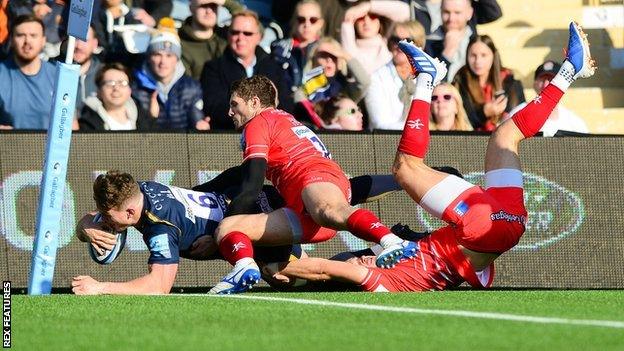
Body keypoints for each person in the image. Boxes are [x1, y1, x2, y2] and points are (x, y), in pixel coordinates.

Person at [266, 21, 596, 292]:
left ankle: (569, 71)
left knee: (505, 136)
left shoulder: (394, 270)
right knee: (406, 168)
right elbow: (325, 268)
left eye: (358, 259)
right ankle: (426, 79)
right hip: (480, 229)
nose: (359, 261)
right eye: (357, 263)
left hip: (508, 223)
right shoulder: (382, 281)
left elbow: (333, 267)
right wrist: (262, 266)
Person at [208, 75, 419, 294]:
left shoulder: (259, 122)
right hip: (307, 206)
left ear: (254, 102)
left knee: (328, 210)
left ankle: (392, 241)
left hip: (314, 179)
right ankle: (244, 267)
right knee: (232, 231)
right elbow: (241, 176)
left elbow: (252, 185)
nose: (230, 112)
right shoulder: (282, 119)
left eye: (234, 104)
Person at [70, 170, 407, 295]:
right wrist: (86, 228)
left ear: (131, 211)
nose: (107, 224)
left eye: (110, 220)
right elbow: (97, 215)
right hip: (244, 202)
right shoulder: (139, 188)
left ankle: (377, 272)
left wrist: (101, 287)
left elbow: (159, 286)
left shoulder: (159, 227)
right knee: (340, 194)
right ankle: (402, 183)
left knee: (285, 274)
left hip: (254, 217)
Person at [200, 9, 293, 130]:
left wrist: (243, 110)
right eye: (235, 32)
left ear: (259, 37)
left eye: (247, 33)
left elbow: (286, 105)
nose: (240, 38)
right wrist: (260, 112)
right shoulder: (213, 68)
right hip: (228, 138)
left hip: (270, 136)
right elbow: (214, 107)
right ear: (228, 35)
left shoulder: (274, 67)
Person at [133, 20, 210, 131]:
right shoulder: (136, 87)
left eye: (169, 55)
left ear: (177, 59)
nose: (163, 62)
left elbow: (196, 116)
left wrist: (200, 125)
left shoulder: (191, 87)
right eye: (157, 55)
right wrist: (150, 118)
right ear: (149, 58)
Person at [452, 35, 524, 131]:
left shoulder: (511, 83)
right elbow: (460, 118)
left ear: (493, 56)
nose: (478, 61)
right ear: (467, 56)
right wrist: (484, 112)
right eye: (473, 55)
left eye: (483, 55)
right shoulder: (460, 82)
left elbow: (520, 116)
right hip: (470, 139)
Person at [365, 20, 427, 130]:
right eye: (395, 40)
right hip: (386, 141)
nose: (400, 46)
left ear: (419, 45)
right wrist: (416, 130)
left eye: (407, 41)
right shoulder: (377, 78)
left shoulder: (427, 78)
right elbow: (380, 123)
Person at [0, 15, 56, 130]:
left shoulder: (57, 76)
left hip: (48, 147)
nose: (27, 41)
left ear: (43, 40)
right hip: (10, 146)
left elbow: (71, 125)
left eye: (33, 35)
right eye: (20, 35)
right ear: (11, 39)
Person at [507, 60, 588, 137]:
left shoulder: (575, 123)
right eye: (542, 80)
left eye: (551, 80)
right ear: (534, 84)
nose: (545, 85)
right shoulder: (517, 114)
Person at [79, 62, 158, 131]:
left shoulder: (144, 121)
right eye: (110, 83)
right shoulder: (88, 124)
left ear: (130, 90)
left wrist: (152, 119)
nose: (116, 88)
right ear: (99, 91)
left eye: (122, 83)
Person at [179, 0, 244, 80]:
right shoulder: (179, 43)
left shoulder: (227, 35)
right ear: (191, 7)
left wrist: (225, 2)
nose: (209, 11)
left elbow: (251, 25)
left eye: (213, 6)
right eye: (203, 6)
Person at [271, 0, 325, 94]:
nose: (307, 24)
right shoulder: (278, 49)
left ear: (321, 23)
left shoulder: (328, 50)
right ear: (294, 21)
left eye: (313, 20)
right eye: (301, 19)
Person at [425, 0, 476, 82]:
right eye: (446, 12)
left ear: (469, 13)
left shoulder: (477, 42)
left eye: (457, 12)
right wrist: (447, 53)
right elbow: (429, 82)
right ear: (440, 11)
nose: (451, 18)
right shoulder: (427, 44)